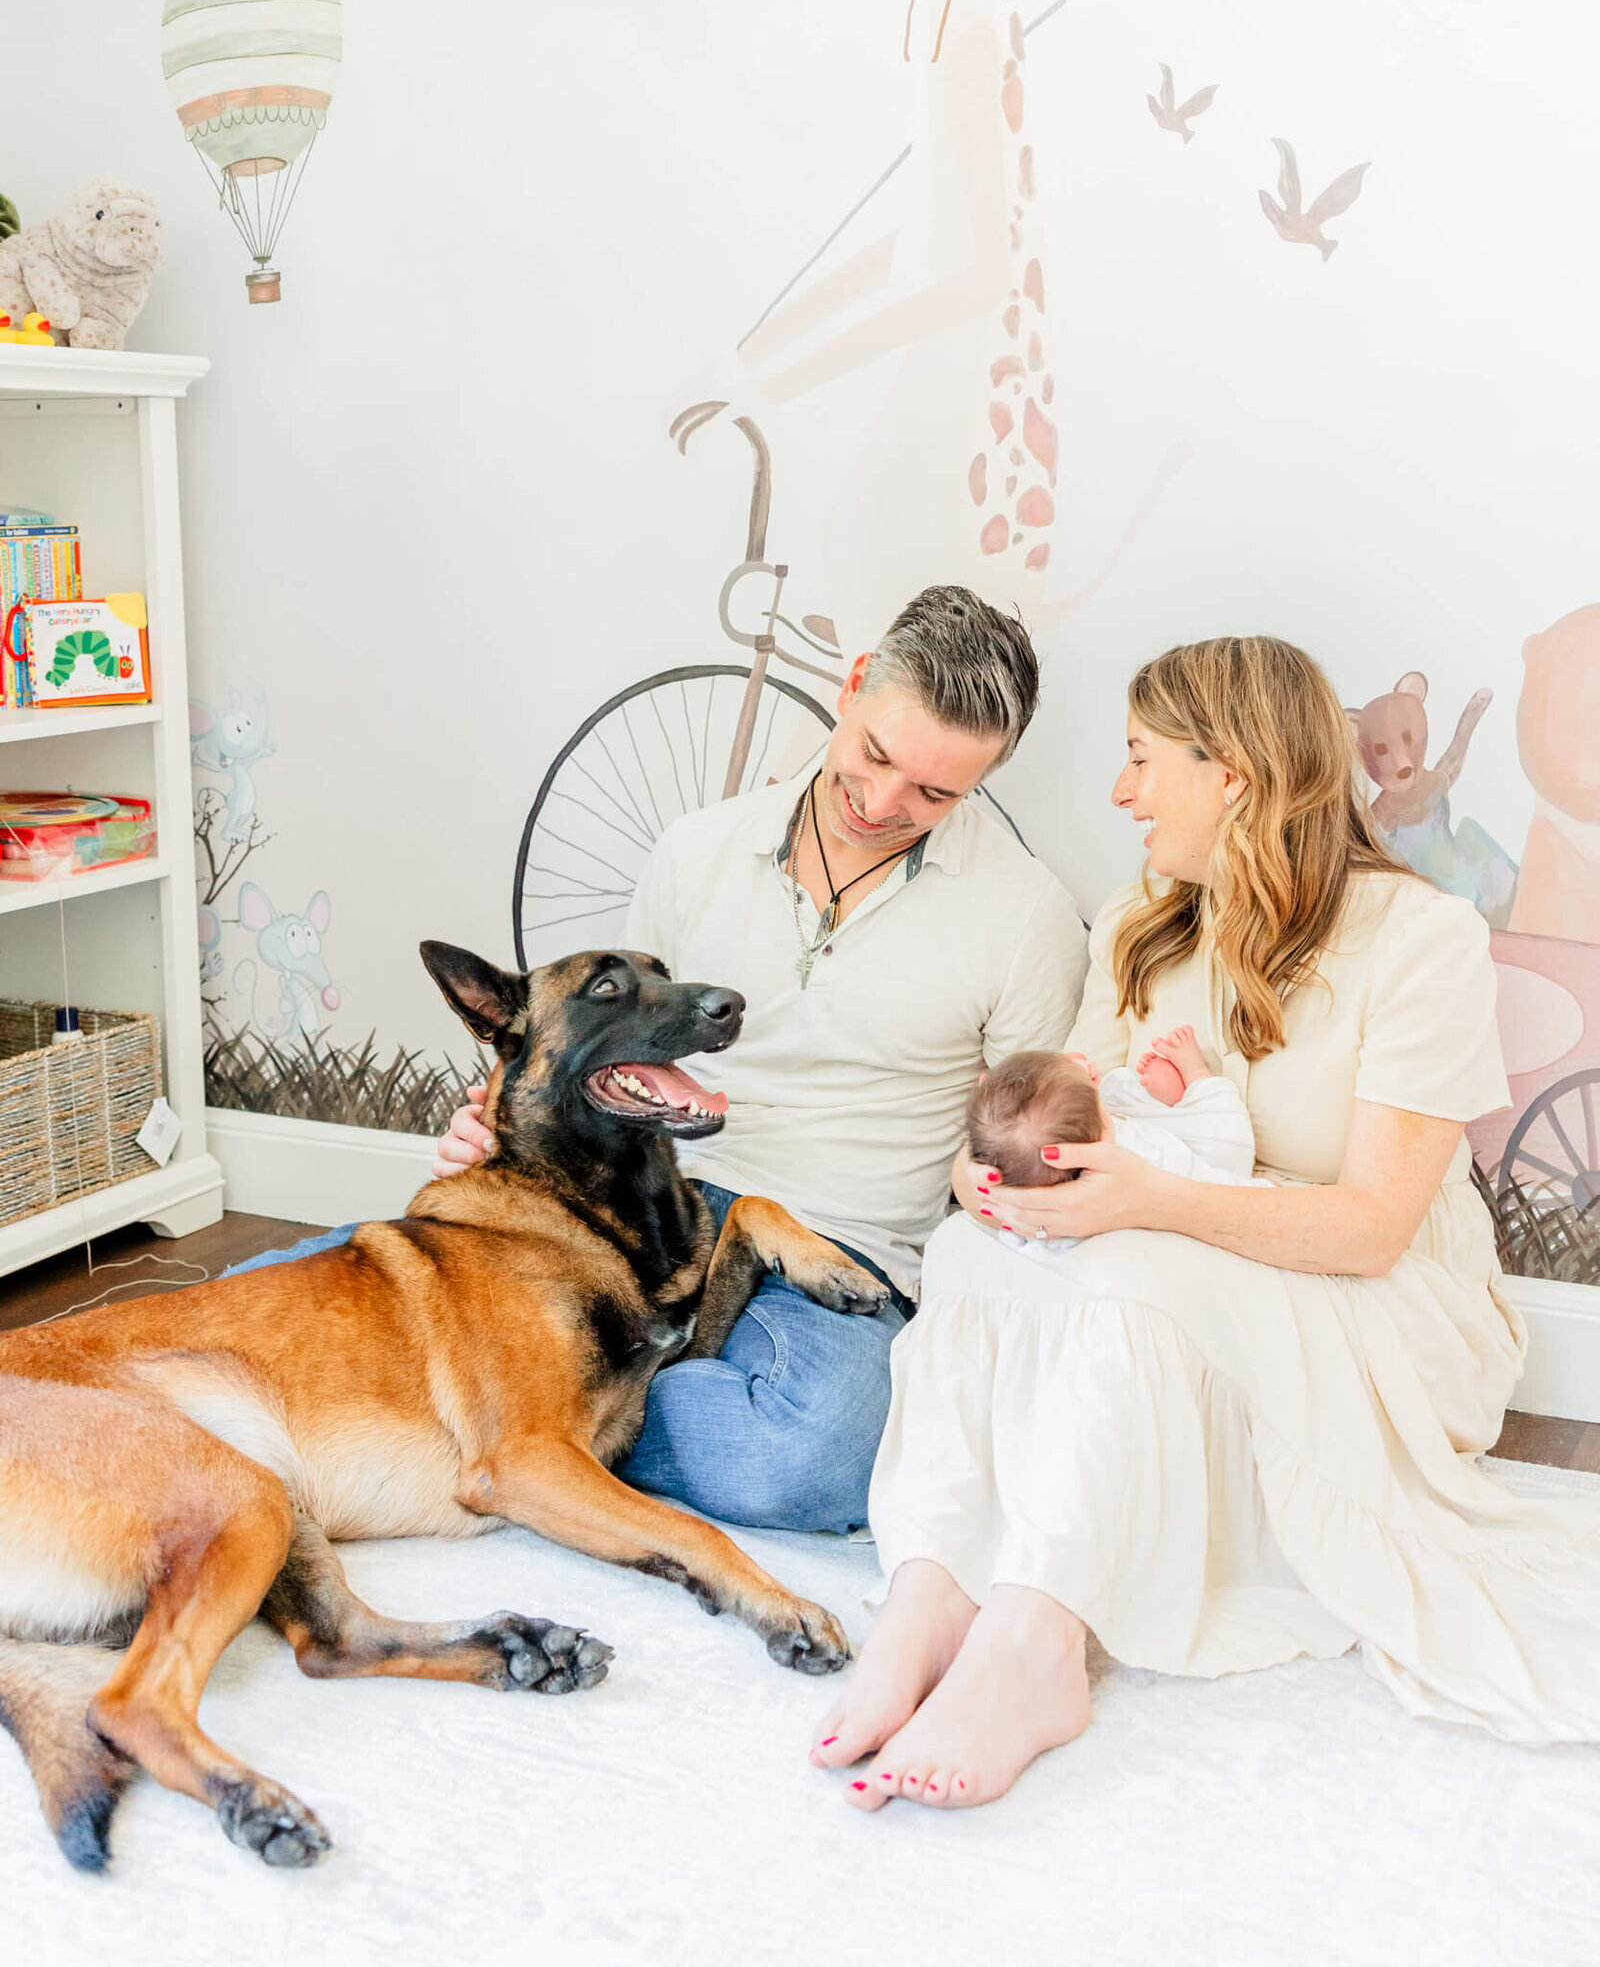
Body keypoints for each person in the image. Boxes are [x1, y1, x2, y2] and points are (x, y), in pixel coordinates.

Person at [813, 634, 1600, 1813]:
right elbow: (1086, 1112)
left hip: (1386, 1302)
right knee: (977, 1250)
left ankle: (1036, 1642)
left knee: (1138, 1271)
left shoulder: (1419, 938)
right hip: (1185, 1234)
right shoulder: (1146, 919)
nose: (1120, 792)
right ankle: (933, 1587)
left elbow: (1374, 1228)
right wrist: (1017, 1183)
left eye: (1139, 760)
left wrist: (1146, 1199)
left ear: (1228, 772)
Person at [429, 585, 1089, 1532]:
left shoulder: (1025, 914)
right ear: (855, 686)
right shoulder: (697, 848)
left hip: (839, 1246)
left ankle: (505, 1425)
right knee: (332, 1296)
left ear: (987, 778)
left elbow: (1012, 1145)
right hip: (646, 1207)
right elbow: (613, 1054)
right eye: (874, 755)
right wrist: (496, 1119)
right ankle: (522, 1412)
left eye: (936, 793)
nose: (883, 803)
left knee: (815, 1460)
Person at [971, 1031, 1256, 1260]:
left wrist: (1075, 1081)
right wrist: (1196, 1073)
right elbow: (1227, 1164)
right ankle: (1190, 1087)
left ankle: (1159, 1102)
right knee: (1225, 1144)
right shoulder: (1147, 1156)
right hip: (1187, 1184)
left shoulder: (1023, 1215)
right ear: (1097, 1143)